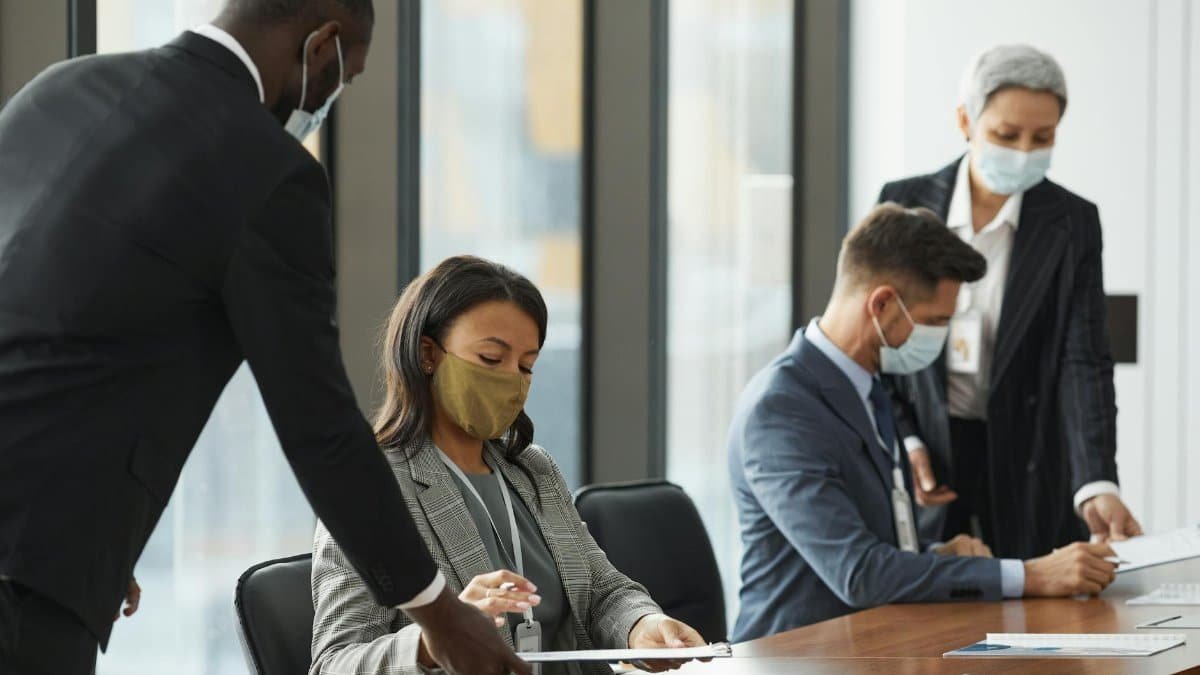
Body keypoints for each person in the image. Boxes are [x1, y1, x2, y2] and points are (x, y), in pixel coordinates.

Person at [0, 2, 526, 674]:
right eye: (346, 77)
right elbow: (320, 427)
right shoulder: (267, 171)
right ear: (323, 46)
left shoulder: (58, 89)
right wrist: (441, 614)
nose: (331, 98)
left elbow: (68, 324)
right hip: (23, 580)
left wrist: (93, 533)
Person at [727, 204, 1119, 641]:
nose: (941, 338)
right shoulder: (780, 411)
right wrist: (1029, 575)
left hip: (874, 643)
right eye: (935, 322)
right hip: (798, 657)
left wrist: (940, 555)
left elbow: (876, 545)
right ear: (881, 304)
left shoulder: (869, 390)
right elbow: (858, 573)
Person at [310, 256, 707, 675]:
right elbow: (334, 663)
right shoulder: (371, 487)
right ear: (428, 353)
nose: (511, 380)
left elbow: (602, 590)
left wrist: (643, 624)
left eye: (525, 366)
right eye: (490, 358)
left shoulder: (533, 470)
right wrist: (435, 637)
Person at [877, 44, 1140, 561]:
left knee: (1036, 606)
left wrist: (1096, 481)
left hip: (1031, 455)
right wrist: (903, 442)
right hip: (929, 446)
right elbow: (873, 342)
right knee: (925, 611)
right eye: (1005, 135)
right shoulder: (902, 202)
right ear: (965, 121)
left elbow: (1083, 359)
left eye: (1042, 138)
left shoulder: (1071, 222)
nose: (1023, 151)